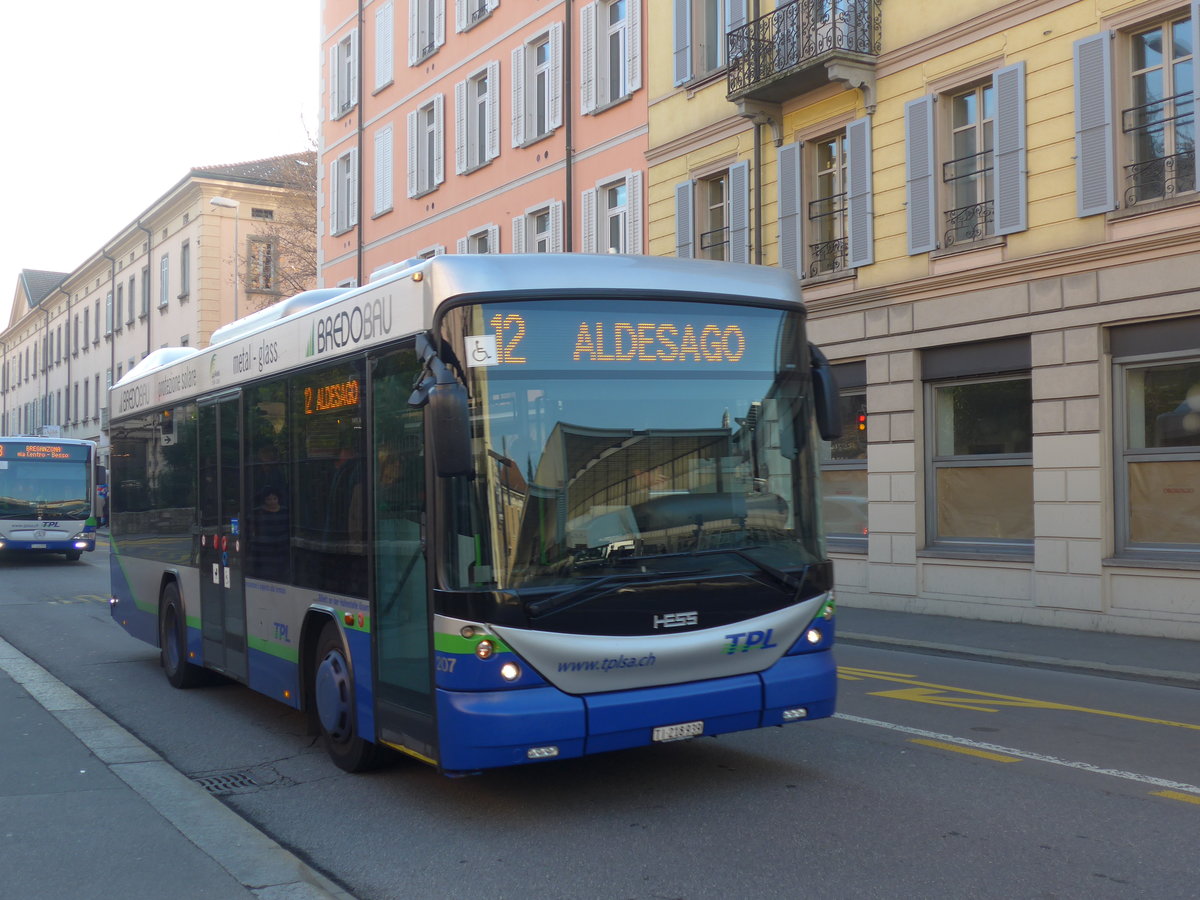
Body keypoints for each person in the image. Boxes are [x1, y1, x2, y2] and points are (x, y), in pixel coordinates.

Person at [248, 486, 289, 582]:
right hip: (263, 552)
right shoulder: (256, 512)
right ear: (264, 500)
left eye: (275, 498)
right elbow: (250, 529)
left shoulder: (285, 511)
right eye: (269, 499)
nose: (272, 502)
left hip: (281, 551)